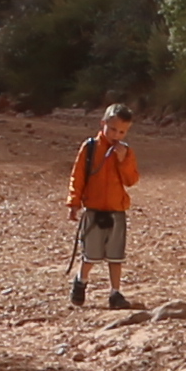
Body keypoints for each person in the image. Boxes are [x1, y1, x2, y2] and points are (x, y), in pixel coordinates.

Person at [67, 102, 141, 307]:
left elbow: (131, 180)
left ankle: (115, 292)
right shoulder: (90, 148)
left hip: (117, 209)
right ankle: (81, 281)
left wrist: (123, 160)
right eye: (113, 129)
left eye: (122, 132)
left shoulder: (126, 152)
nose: (116, 135)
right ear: (103, 124)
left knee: (116, 256)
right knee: (91, 254)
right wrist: (74, 202)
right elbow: (78, 176)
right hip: (94, 209)